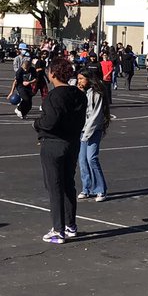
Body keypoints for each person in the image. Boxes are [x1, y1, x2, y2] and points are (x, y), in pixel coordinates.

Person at [36, 58, 87, 242]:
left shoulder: (54, 96)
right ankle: (70, 224)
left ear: (53, 74)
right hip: (72, 143)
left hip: (54, 143)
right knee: (67, 184)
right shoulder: (80, 94)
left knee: (54, 185)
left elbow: (50, 122)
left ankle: (58, 229)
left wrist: (38, 124)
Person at [76, 67, 111, 202]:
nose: (78, 81)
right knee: (82, 160)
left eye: (81, 79)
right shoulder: (80, 92)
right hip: (82, 130)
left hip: (93, 130)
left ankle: (101, 190)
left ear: (88, 79)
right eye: (78, 78)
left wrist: (87, 132)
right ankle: (87, 188)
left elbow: (96, 115)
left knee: (92, 158)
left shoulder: (97, 94)